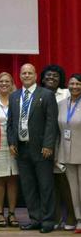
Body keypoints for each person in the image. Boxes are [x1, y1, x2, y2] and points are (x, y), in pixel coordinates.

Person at [7, 63, 59, 233]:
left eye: (30, 73)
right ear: (20, 76)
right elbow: (11, 123)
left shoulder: (47, 95)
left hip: (42, 149)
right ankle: (35, 219)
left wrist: (48, 145)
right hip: (21, 149)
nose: (27, 75)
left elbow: (51, 122)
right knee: (28, 187)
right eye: (24, 73)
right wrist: (12, 142)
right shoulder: (14, 96)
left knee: (45, 186)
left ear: (36, 76)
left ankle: (48, 221)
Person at [41, 64, 77, 231]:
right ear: (42, 78)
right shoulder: (38, 94)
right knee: (50, 183)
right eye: (48, 76)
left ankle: (71, 215)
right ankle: (54, 215)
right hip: (44, 144)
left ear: (61, 78)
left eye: (55, 76)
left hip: (64, 142)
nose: (51, 79)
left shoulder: (67, 94)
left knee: (65, 181)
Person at [0, 72, 20, 227]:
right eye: (1, 81)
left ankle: (12, 214)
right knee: (0, 178)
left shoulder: (18, 99)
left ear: (12, 83)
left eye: (7, 81)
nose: (4, 84)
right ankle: (0, 213)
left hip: (16, 144)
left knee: (13, 179)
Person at [59, 74, 81, 233]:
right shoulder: (61, 104)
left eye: (78, 84)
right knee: (73, 189)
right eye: (72, 83)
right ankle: (79, 219)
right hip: (67, 152)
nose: (75, 87)